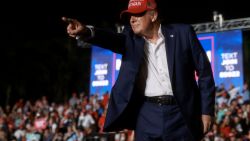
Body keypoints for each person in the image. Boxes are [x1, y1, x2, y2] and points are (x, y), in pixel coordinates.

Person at [62, 0, 215, 140]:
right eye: (130, 16)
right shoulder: (130, 38)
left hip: (180, 114)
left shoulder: (183, 33)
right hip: (146, 113)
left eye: (137, 15)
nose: (132, 19)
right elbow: (112, 39)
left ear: (153, 15)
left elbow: (205, 72)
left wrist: (206, 111)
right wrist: (86, 32)